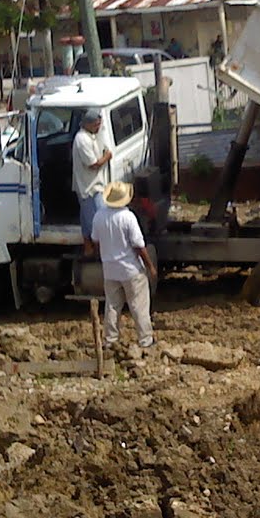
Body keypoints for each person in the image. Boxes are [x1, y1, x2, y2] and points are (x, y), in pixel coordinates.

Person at [92, 180, 157, 349]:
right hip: (130, 270)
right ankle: (145, 340)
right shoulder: (127, 217)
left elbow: (96, 241)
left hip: (110, 269)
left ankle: (110, 340)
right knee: (139, 305)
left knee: (112, 305)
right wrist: (150, 266)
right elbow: (138, 245)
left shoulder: (99, 216)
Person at [73, 110, 114, 245]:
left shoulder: (93, 135)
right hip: (87, 187)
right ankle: (98, 249)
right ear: (88, 124)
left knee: (88, 218)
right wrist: (107, 157)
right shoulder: (82, 140)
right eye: (96, 125)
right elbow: (93, 165)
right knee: (95, 221)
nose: (98, 127)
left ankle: (89, 247)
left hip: (96, 184)